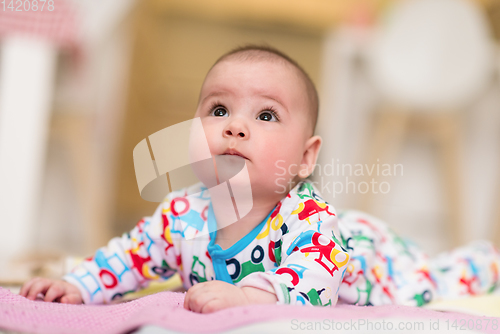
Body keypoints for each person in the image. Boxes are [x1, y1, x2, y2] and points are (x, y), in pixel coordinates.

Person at [19, 45, 500, 313]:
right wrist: (80, 284)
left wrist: (249, 296)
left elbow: (315, 284)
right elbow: (128, 256)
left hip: (368, 256)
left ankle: (486, 262)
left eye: (267, 115)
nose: (235, 126)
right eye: (219, 109)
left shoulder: (308, 220)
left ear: (306, 156)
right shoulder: (181, 216)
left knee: (438, 278)